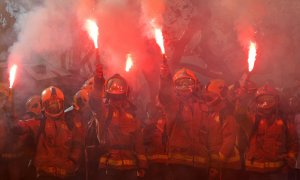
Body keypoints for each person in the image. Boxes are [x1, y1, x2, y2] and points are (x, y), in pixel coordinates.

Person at [12, 86, 84, 180]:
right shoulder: (39, 123)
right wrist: (10, 113)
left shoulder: (70, 124)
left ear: (62, 104)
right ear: (44, 106)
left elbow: (77, 144)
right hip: (42, 174)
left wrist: (72, 162)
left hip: (64, 174)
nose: (54, 107)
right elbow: (20, 127)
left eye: (57, 103)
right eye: (50, 104)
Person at [158, 63, 209, 180]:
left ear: (195, 85)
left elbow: (209, 133)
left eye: (188, 82)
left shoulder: (201, 107)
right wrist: (165, 79)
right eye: (180, 83)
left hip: (201, 163)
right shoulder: (172, 105)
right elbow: (164, 96)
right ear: (174, 86)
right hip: (178, 163)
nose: (185, 87)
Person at [96, 74, 147, 180]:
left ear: (124, 97)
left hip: (130, 168)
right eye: (113, 98)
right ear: (108, 96)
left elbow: (138, 143)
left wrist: (142, 166)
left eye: (119, 97)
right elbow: (95, 101)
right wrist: (98, 82)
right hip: (109, 166)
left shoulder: (132, 116)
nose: (116, 100)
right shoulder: (103, 112)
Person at [245, 85, 298, 180]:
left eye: (269, 100)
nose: (265, 104)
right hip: (254, 171)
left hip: (278, 172)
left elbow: (293, 142)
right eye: (261, 101)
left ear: (276, 101)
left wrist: (290, 159)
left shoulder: (284, 121)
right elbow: (239, 114)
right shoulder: (252, 119)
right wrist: (243, 97)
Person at [205, 79, 241, 180]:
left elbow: (229, 141)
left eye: (211, 96)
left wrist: (216, 164)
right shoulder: (212, 114)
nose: (207, 100)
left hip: (228, 166)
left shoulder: (227, 116)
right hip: (215, 164)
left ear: (220, 97)